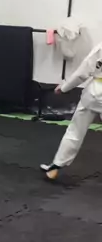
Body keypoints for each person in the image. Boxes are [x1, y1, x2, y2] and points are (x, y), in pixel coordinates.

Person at [41, 41, 102, 180]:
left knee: (75, 131)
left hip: (93, 93)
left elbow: (82, 73)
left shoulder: (101, 48)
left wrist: (64, 87)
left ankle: (56, 166)